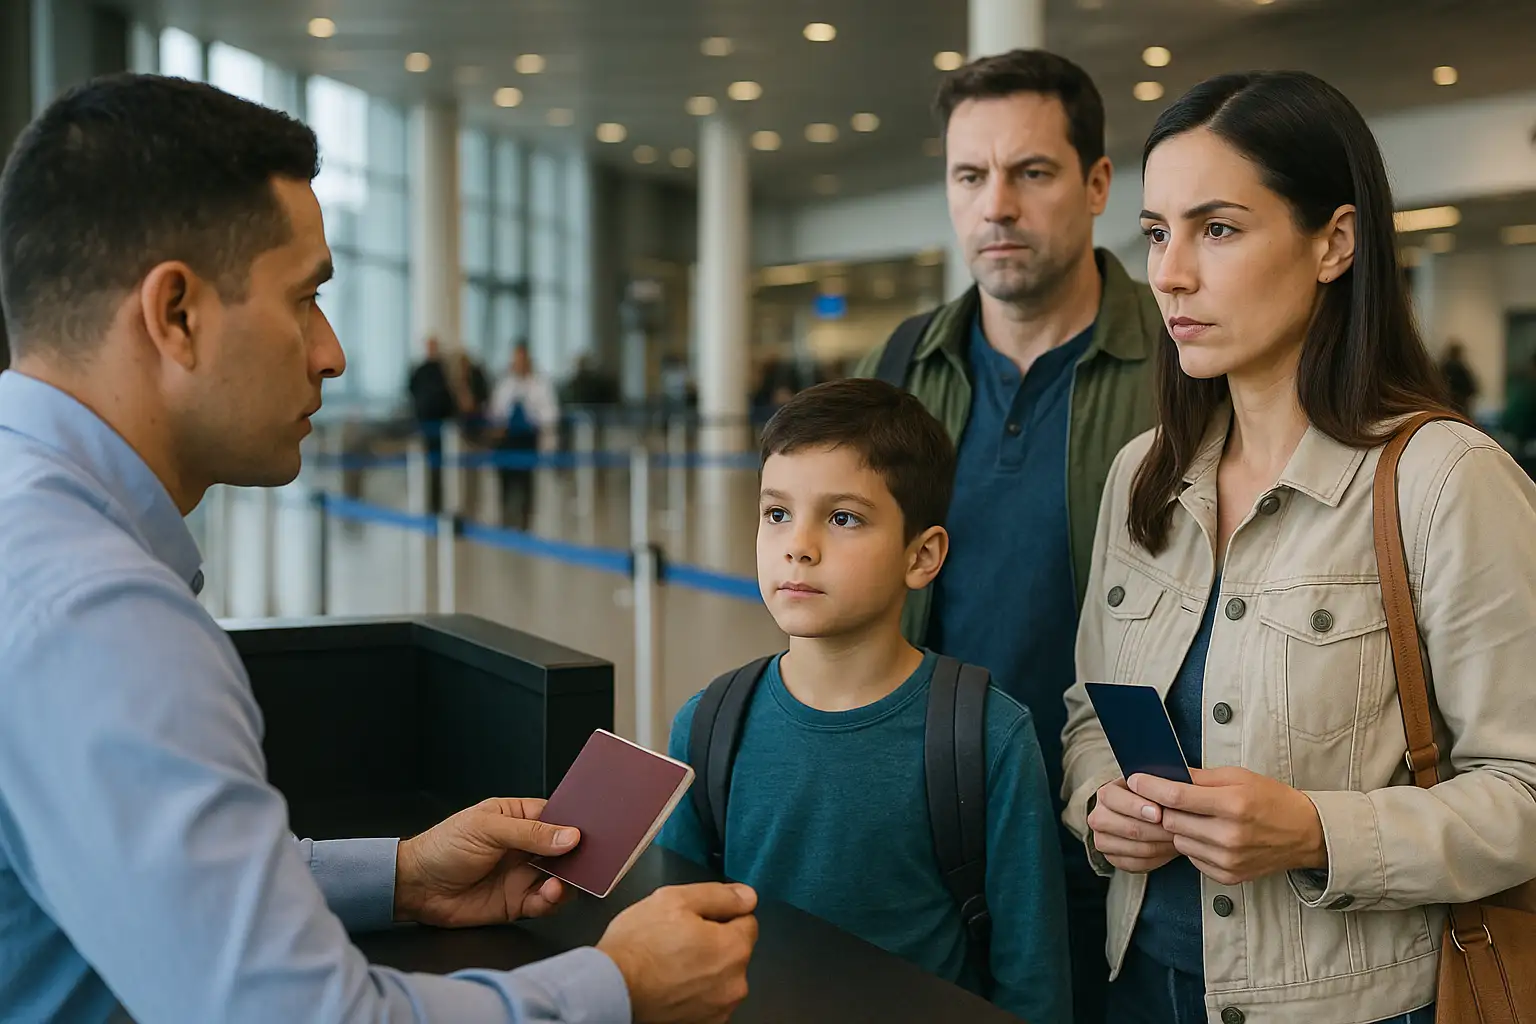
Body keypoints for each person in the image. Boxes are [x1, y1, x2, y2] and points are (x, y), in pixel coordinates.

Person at [0, 73, 758, 1024]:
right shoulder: (99, 615)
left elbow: (158, 886)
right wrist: (621, 985)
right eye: (305, 299)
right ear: (177, 314)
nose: (332, 353)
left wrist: (402, 877)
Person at [1061, 70, 1536, 1024]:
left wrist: (1319, 832)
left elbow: (1524, 792)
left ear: (1335, 242)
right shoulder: (1142, 475)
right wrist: (1100, 808)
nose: (1170, 273)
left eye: (1219, 230)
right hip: (1142, 988)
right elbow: (1086, 718)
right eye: (1157, 234)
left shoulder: (1446, 480)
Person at [853, 49, 1161, 1023]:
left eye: (1031, 173)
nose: (997, 206)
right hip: (938, 826)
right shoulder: (900, 365)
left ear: (1096, 184)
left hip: (1121, 835)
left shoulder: (1183, 365)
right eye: (969, 176)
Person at [658, 379, 1073, 1024]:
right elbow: (678, 939)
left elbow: (1033, 979)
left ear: (922, 555)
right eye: (777, 513)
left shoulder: (985, 734)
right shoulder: (709, 724)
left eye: (843, 517)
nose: (799, 545)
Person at [489, 343, 560, 530]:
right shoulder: (505, 384)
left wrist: (532, 418)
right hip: (506, 440)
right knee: (506, 481)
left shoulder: (540, 384)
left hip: (527, 439)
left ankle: (525, 521)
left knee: (525, 482)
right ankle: (506, 518)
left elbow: (551, 413)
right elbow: (496, 410)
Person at [408, 336, 455, 513]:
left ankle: (437, 505)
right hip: (424, 424)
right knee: (422, 466)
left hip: (438, 426)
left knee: (437, 468)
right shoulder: (420, 370)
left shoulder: (443, 371)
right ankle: (425, 504)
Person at [1438, 339, 1479, 416]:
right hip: (1458, 401)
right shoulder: (1458, 367)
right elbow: (1468, 385)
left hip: (1448, 401)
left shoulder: (1443, 366)